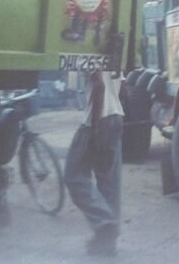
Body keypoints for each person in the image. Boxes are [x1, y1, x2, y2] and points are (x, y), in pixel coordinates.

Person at [64, 69, 124, 256]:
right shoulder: (115, 54)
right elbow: (122, 86)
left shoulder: (92, 55)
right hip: (116, 116)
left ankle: (105, 222)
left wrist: (96, 125)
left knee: (73, 175)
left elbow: (99, 85)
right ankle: (107, 244)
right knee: (109, 183)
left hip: (95, 120)